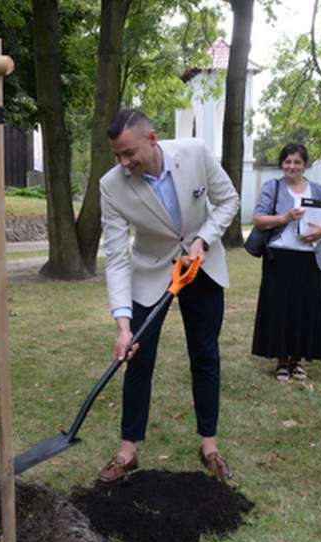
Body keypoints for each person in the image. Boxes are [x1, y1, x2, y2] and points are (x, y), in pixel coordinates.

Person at [98, 109, 240, 483]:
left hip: (201, 264)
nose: (125, 163)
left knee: (205, 354)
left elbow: (228, 201)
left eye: (130, 153)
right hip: (151, 270)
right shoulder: (112, 186)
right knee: (138, 359)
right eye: (118, 156)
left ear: (153, 138)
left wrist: (202, 240)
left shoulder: (195, 153)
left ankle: (209, 444)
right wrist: (123, 325)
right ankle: (128, 451)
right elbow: (116, 256)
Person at [250, 143, 321, 382]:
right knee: (280, 309)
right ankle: (280, 361)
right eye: (287, 162)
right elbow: (258, 219)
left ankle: (297, 360)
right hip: (280, 257)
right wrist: (285, 217)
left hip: (309, 258)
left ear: (304, 165)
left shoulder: (318, 190)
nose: (292, 166)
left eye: (297, 162)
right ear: (281, 164)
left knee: (304, 310)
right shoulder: (273, 187)